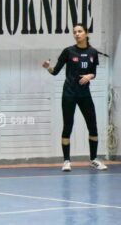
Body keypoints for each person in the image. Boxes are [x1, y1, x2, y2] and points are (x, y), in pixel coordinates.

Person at [42, 23, 107, 172]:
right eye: (75, 32)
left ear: (86, 33)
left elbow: (94, 72)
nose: (77, 34)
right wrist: (48, 67)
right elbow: (55, 71)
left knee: (93, 126)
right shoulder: (68, 51)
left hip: (85, 94)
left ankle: (93, 159)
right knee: (68, 126)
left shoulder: (92, 52)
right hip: (69, 94)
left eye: (80, 31)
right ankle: (66, 161)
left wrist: (90, 75)